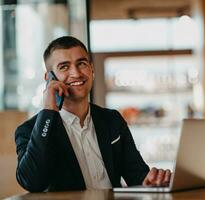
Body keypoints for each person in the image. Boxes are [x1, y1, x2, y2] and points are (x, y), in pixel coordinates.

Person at [15, 36, 171, 192]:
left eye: (81, 64)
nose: (76, 73)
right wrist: (48, 109)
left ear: (91, 70)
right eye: (64, 67)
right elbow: (31, 182)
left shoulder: (112, 120)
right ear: (48, 78)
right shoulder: (28, 131)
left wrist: (151, 180)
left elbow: (137, 175)